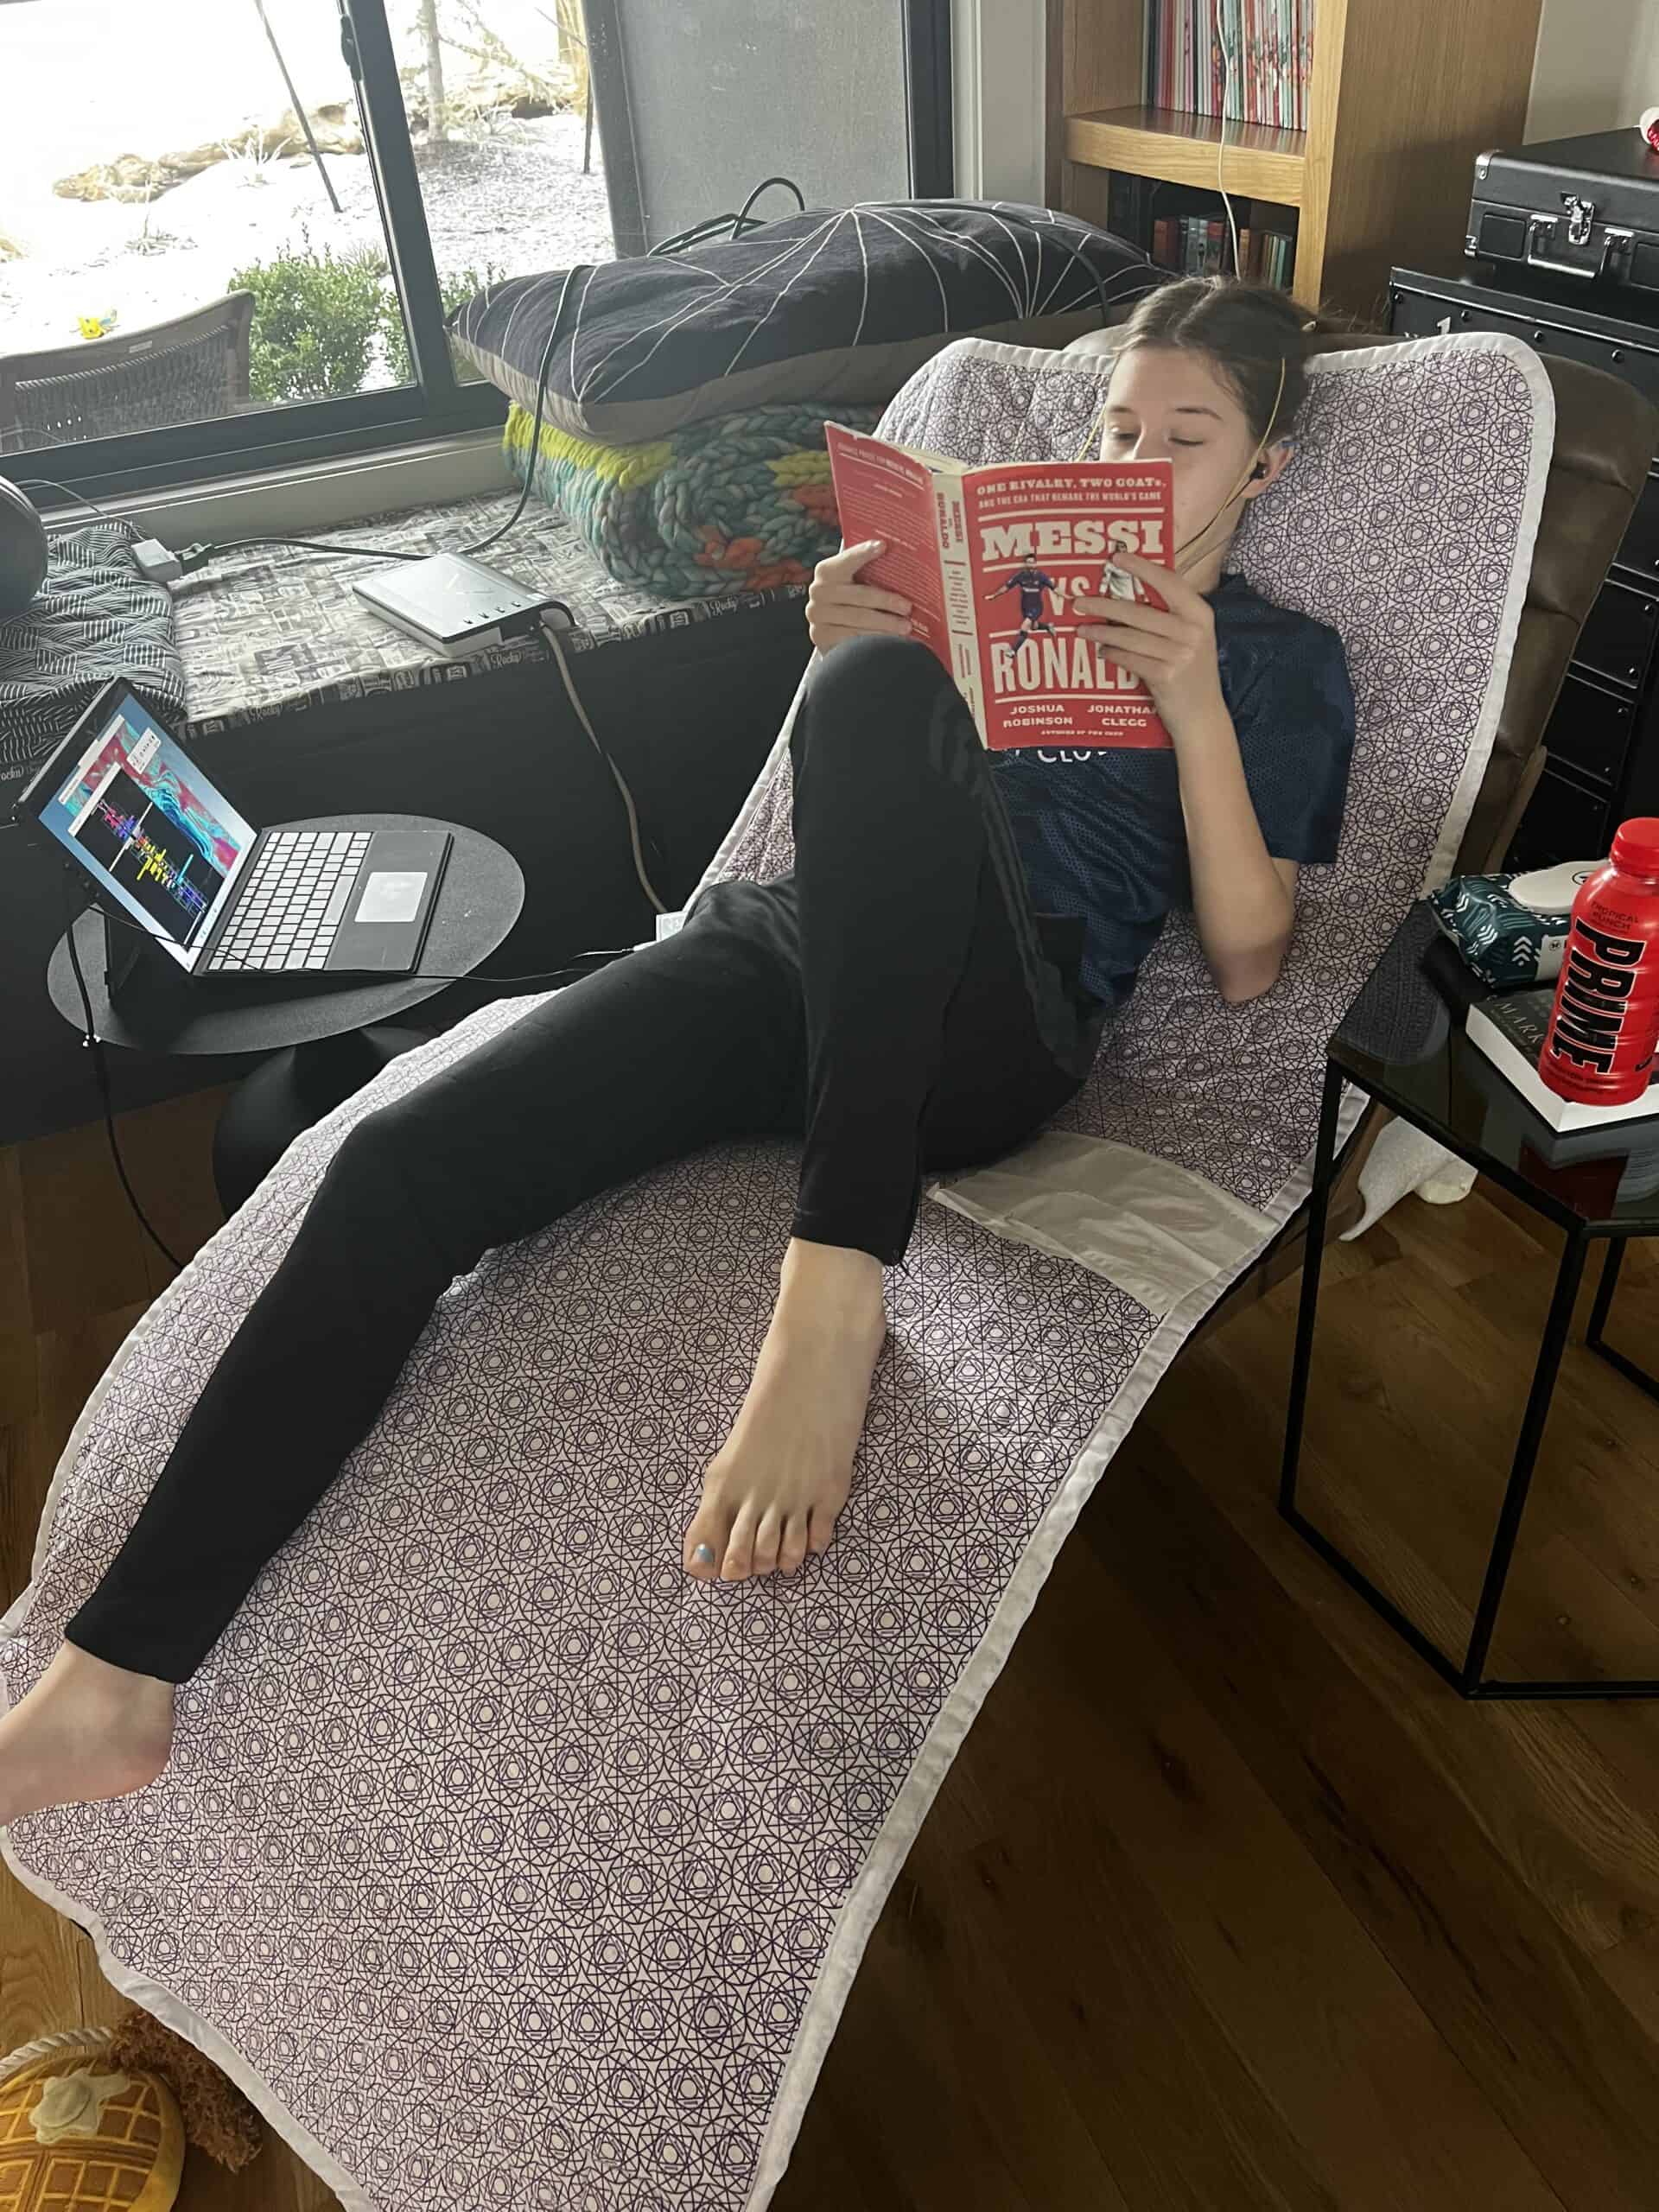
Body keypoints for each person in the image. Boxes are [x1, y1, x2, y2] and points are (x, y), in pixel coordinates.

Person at [0, 276, 1355, 1827]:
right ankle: (118, 1681)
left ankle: (833, 1299)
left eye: (1184, 439)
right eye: (1116, 425)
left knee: (883, 687)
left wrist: (1185, 697)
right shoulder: (998, 583)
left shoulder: (1272, 661)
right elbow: (861, 803)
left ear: (1262, 471)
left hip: (997, 1020)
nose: (1136, 462)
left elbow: (1254, 960)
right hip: (786, 948)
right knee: (395, 1164)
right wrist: (850, 643)